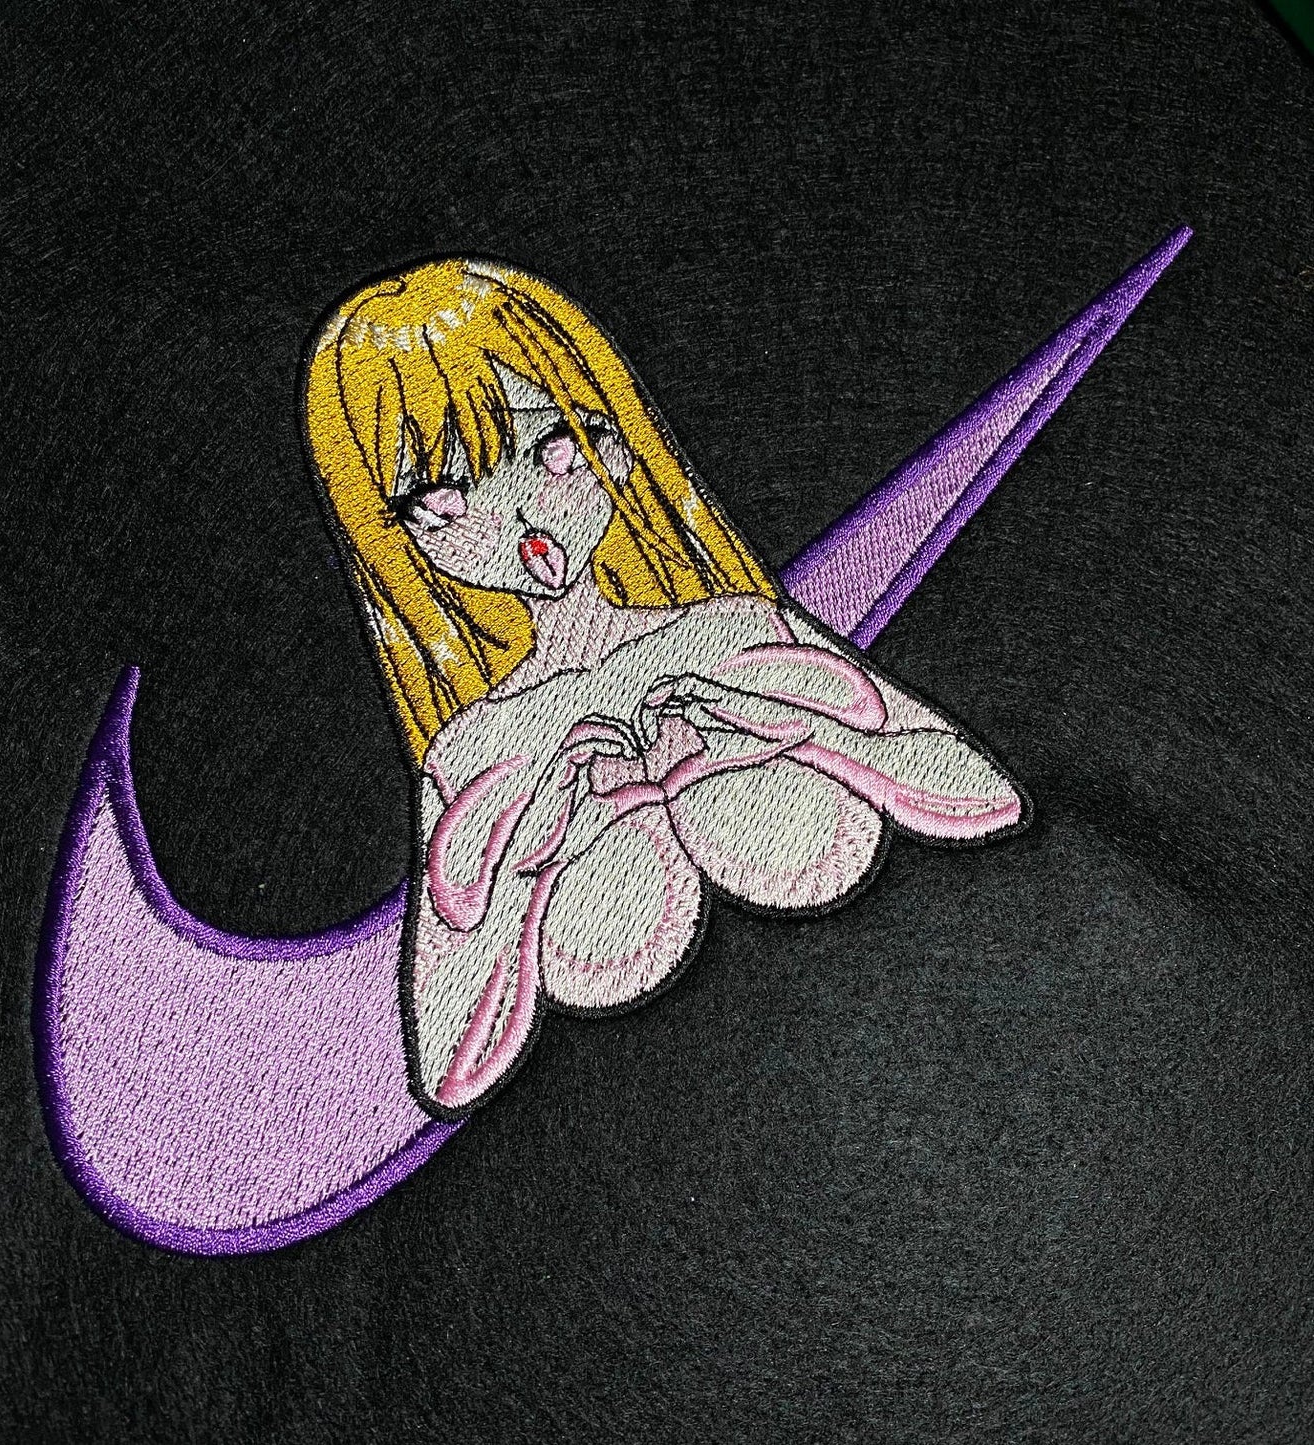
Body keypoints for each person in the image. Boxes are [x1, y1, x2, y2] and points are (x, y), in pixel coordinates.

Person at [303, 259, 1024, 1116]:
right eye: (444, 505)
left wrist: (772, 724)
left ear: (615, 438)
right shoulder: (473, 748)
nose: (520, 519)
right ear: (395, 538)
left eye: (553, 449)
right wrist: (547, 838)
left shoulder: (731, 628)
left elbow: (974, 791)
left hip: (929, 1022)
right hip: (632, 1114)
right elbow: (451, 1049)